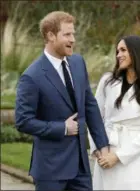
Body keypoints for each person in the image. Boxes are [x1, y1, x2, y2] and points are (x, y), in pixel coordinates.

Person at [15, 11, 109, 191]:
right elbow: (23, 121)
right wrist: (63, 128)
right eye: (67, 34)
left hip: (81, 168)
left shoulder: (78, 63)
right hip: (50, 171)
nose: (73, 39)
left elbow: (89, 105)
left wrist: (102, 144)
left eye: (73, 34)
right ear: (50, 35)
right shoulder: (32, 76)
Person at [88, 35, 140, 190]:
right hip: (105, 150)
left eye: (123, 50)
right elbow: (94, 115)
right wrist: (97, 148)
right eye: (117, 51)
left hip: (134, 156)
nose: (118, 55)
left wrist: (118, 156)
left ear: (136, 52)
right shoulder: (107, 81)